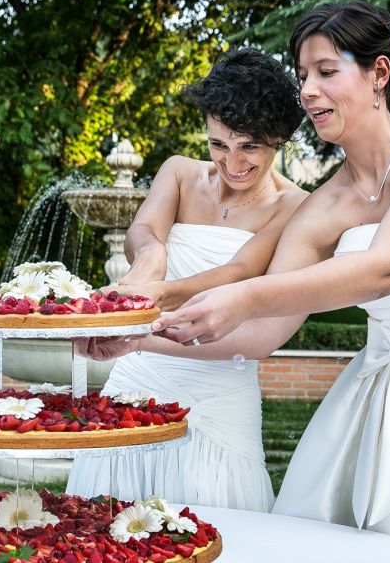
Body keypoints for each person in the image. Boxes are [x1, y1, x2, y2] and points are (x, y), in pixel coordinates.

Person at [78, 1, 390, 563]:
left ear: (378, 74)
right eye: (302, 76)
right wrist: (139, 332)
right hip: (379, 406)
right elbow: (259, 333)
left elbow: (383, 270)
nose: (309, 91)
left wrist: (242, 296)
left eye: (326, 71)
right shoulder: (323, 207)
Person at [66, 47, 307, 512]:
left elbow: (239, 272)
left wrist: (146, 319)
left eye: (249, 146)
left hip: (218, 394)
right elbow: (143, 231)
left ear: (278, 138)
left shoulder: (296, 207)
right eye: (219, 144)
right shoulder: (178, 172)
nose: (231, 162)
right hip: (136, 380)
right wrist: (150, 260)